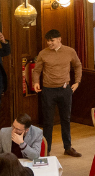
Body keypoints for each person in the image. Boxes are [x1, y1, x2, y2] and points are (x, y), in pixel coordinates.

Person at [32, 29, 83, 157]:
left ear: (59, 39)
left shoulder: (70, 51)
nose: (49, 43)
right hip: (48, 91)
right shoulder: (43, 53)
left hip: (65, 90)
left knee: (66, 119)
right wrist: (35, 82)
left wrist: (77, 82)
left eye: (52, 40)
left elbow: (78, 65)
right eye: (48, 41)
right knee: (48, 121)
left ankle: (68, 147)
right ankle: (46, 150)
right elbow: (37, 70)